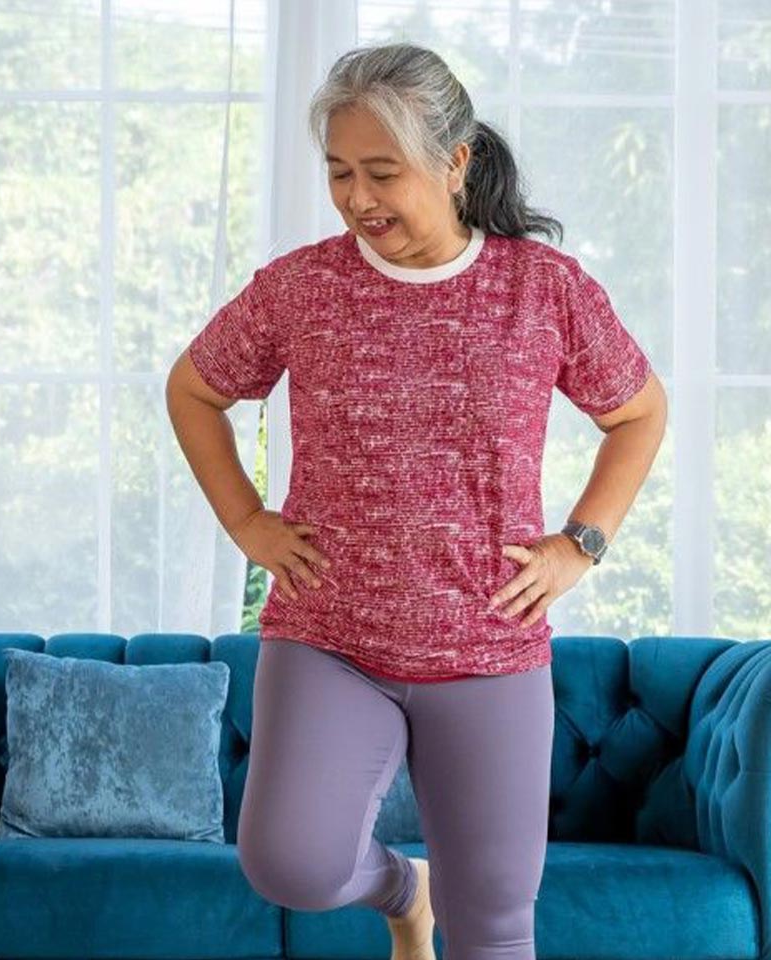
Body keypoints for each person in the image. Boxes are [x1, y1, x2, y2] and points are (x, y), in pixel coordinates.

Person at [164, 41, 668, 960]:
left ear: (456, 160)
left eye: (383, 173)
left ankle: (444, 909)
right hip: (329, 638)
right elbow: (194, 389)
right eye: (340, 172)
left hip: (489, 644)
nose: (359, 199)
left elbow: (637, 411)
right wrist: (246, 521)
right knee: (293, 865)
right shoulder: (302, 287)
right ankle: (405, 890)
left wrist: (579, 545)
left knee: (494, 930)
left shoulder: (541, 288)